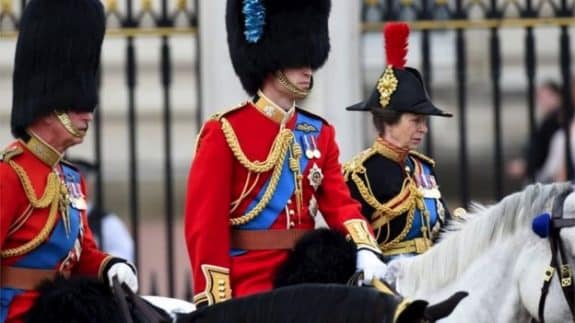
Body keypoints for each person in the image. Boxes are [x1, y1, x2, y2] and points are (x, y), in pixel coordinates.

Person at [184, 0, 387, 307]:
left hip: (309, 277)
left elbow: (340, 204)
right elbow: (205, 227)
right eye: (298, 60)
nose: (309, 69)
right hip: (250, 282)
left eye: (310, 59)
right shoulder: (224, 131)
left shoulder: (319, 133)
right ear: (273, 61)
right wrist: (216, 301)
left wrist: (364, 246)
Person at [0, 1, 138, 322]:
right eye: (77, 104)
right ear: (48, 104)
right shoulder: (10, 174)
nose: (87, 113)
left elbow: (82, 255)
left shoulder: (71, 178)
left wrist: (110, 265)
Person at [343, 22, 453, 261]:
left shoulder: (423, 168)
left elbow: (445, 228)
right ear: (389, 120)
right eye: (416, 120)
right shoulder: (362, 172)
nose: (423, 128)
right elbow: (350, 236)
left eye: (424, 121)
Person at [68, 158, 135, 263]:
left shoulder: (107, 222)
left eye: (82, 180)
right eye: (70, 180)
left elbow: (122, 258)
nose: (76, 186)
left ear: (90, 184)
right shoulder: (55, 218)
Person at [506, 80, 567, 182]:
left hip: (548, 176)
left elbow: (543, 149)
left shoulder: (555, 121)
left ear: (557, 96)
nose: (541, 100)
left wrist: (527, 166)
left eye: (545, 96)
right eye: (539, 97)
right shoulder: (549, 120)